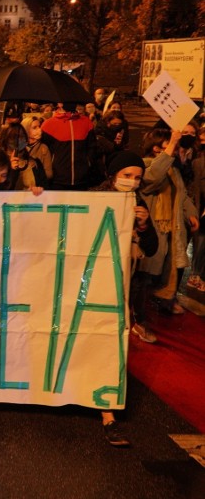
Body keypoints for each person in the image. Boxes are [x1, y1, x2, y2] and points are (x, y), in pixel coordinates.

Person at [90, 150, 158, 446]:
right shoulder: (92, 199)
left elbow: (152, 247)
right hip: (87, 285)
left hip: (118, 287)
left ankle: (107, 413)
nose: (131, 181)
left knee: (110, 342)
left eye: (137, 178)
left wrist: (142, 226)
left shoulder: (138, 204)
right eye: (126, 176)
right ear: (113, 175)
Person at [139, 128, 199, 316]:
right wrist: (172, 143)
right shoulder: (145, 165)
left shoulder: (173, 168)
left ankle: (165, 299)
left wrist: (191, 213)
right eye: (163, 144)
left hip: (172, 227)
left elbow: (182, 194)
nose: (167, 148)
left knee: (170, 267)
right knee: (145, 270)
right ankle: (138, 311)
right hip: (152, 228)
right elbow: (152, 178)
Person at [40, 103, 98, 190]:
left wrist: (88, 163)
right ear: (59, 104)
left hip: (82, 178)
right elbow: (44, 151)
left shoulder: (86, 122)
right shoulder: (48, 124)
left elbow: (92, 146)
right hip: (57, 179)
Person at [21, 115, 53, 182]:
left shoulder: (43, 148)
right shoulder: (18, 148)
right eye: (34, 128)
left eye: (39, 126)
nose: (39, 130)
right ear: (26, 130)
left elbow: (49, 174)